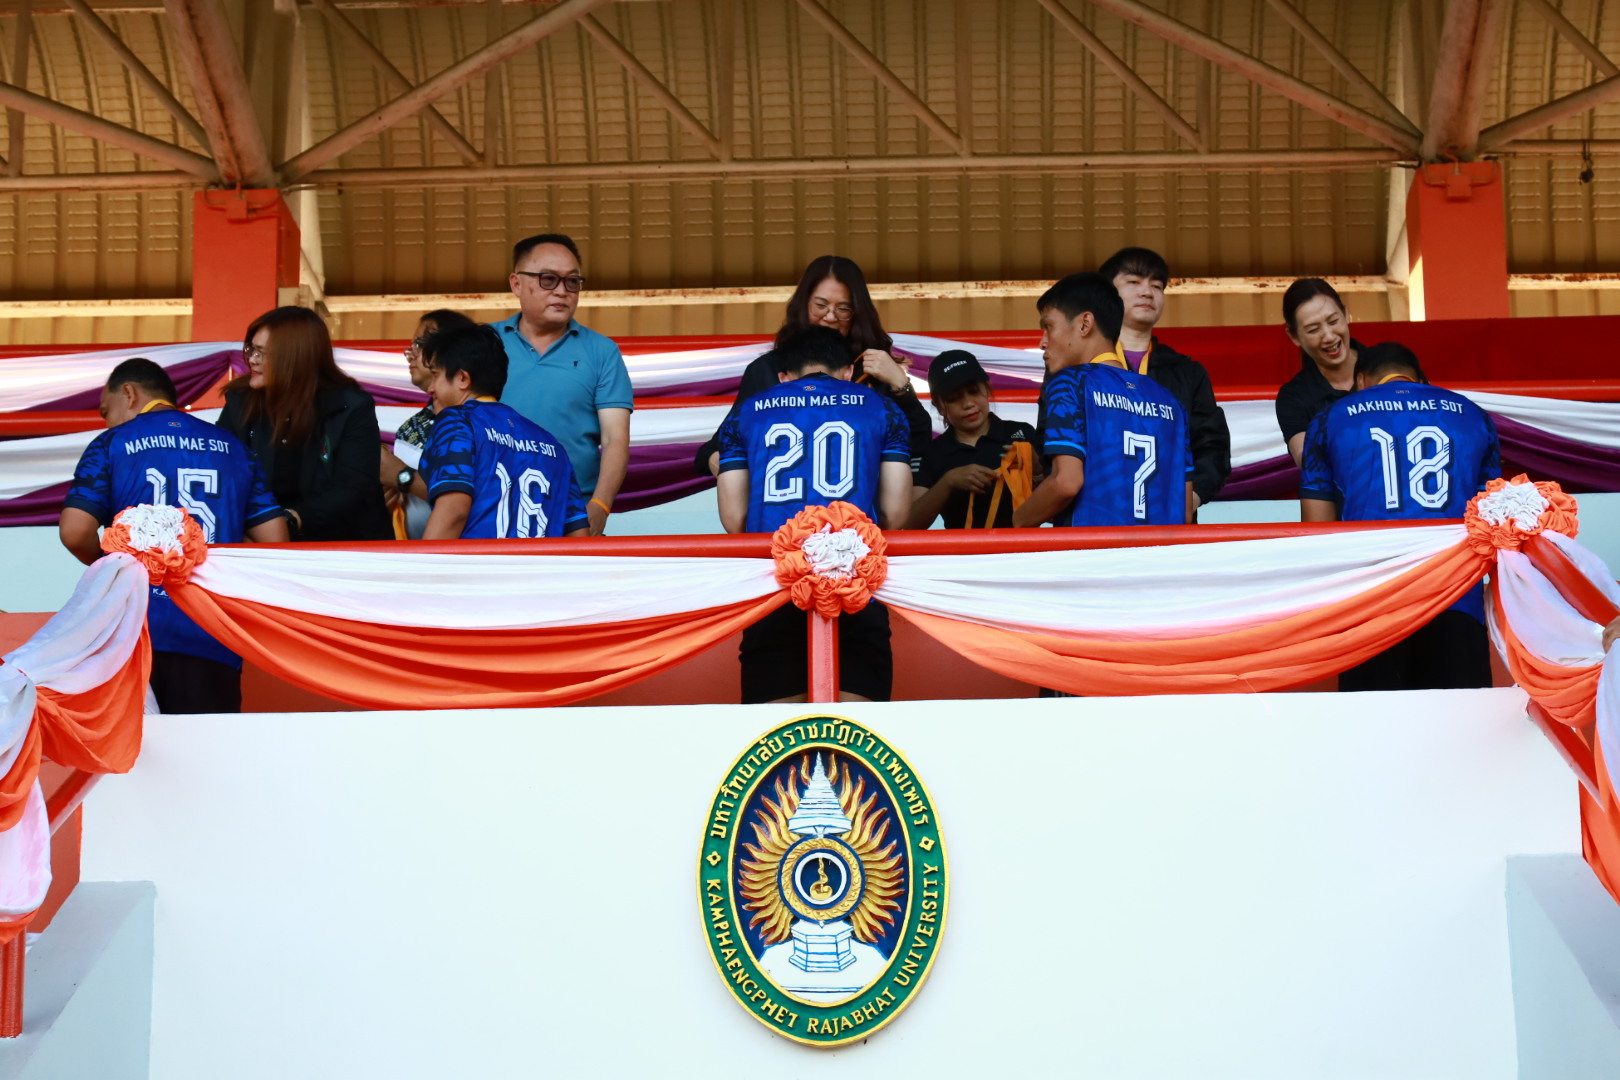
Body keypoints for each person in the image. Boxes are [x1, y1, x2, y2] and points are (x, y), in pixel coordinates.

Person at [59, 358, 289, 713]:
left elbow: (75, 533)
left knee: (140, 746)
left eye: (107, 411)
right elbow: (276, 543)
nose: (108, 420)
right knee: (205, 745)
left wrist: (116, 570)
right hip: (213, 631)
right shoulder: (235, 449)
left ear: (129, 393)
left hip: (133, 628)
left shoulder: (111, 443)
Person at [715, 325, 912, 703]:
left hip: (774, 584)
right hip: (856, 584)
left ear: (783, 376)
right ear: (848, 372)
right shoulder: (882, 407)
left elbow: (734, 518)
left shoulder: (745, 412)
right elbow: (895, 513)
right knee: (857, 730)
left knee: (777, 731)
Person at [1299, 342, 1500, 691]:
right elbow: (1493, 514)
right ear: (1421, 380)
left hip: (1370, 601)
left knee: (1374, 720)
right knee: (1461, 720)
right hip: (1454, 596)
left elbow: (1316, 526)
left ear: (1361, 380)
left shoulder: (1331, 417)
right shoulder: (1474, 415)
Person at [695, 255, 933, 477]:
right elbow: (713, 450)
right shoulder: (767, 369)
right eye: (820, 305)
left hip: (861, 506)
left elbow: (918, 443)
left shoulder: (874, 368)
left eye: (843, 309)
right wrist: (737, 478)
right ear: (803, 304)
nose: (830, 317)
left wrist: (901, 384)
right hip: (784, 505)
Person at [1014, 273, 1194, 529]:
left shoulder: (1070, 383)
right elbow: (1184, 511)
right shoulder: (1171, 402)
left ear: (1085, 324)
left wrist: (1015, 522)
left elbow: (1065, 483)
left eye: (1048, 326)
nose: (1043, 342)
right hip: (1161, 553)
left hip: (1092, 552)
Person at [492, 233, 632, 536]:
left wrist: (600, 506)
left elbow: (615, 439)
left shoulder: (602, 351)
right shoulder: (483, 343)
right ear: (516, 284)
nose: (561, 291)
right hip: (490, 509)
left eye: (572, 281)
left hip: (572, 516)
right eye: (548, 279)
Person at [217, 306, 393, 542]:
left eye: (261, 353)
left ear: (294, 358)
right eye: (251, 350)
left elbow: (354, 488)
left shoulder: (350, 406)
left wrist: (289, 521)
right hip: (262, 541)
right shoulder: (240, 402)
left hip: (340, 544)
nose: (252, 360)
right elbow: (220, 469)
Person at [419, 324, 590, 540]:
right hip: (541, 563)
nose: (431, 388)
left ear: (463, 378)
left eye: (435, 375)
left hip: (478, 562)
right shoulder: (553, 445)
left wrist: (422, 563)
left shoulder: (457, 421)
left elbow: (454, 511)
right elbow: (579, 534)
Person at [1099, 247, 1231, 513]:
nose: (1147, 292)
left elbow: (1213, 447)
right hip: (1097, 517)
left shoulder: (1187, 372)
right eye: (1134, 281)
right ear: (1106, 293)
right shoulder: (1081, 367)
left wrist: (1189, 501)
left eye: (1157, 286)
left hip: (1171, 521)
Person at [906, 349, 1039, 529]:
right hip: (962, 548)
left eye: (974, 391)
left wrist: (1036, 469)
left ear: (986, 388)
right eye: (954, 398)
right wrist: (948, 482)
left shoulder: (1022, 433)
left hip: (1023, 546)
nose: (968, 404)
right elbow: (911, 524)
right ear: (939, 405)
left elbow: (1059, 499)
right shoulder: (933, 453)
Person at [379, 308, 478, 538]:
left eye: (420, 343)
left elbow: (472, 498)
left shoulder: (479, 421)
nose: (410, 354)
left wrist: (402, 477)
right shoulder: (412, 426)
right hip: (411, 548)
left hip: (459, 551)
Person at [1275, 278, 1369, 466]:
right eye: (1313, 330)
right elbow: (1305, 457)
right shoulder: (1293, 397)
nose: (1328, 336)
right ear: (1294, 336)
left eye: (1333, 321)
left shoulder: (1389, 366)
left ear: (1346, 314)